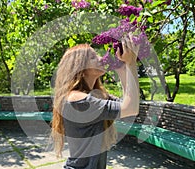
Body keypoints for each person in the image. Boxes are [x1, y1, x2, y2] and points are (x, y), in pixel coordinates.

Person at [51, 35, 140, 169]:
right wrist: (131, 63)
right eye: (93, 57)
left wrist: (122, 69)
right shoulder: (78, 101)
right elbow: (131, 107)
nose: (100, 58)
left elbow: (127, 103)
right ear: (79, 67)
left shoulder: (93, 95)